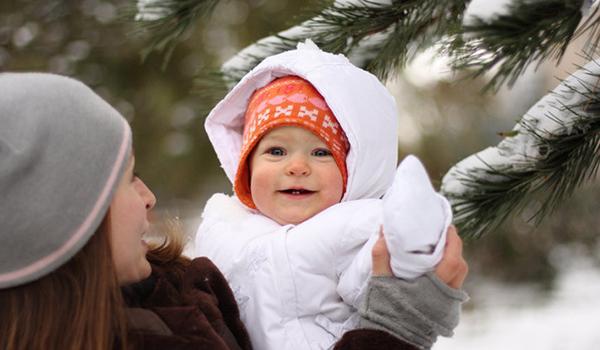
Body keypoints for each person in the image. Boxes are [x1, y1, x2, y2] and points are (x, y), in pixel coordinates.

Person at [0, 72, 467, 350]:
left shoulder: (175, 292)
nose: (148, 197)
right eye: (126, 179)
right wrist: (395, 329)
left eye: (321, 154)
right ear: (64, 220)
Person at [194, 40, 467, 350]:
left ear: (351, 170)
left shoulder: (350, 225)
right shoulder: (222, 224)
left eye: (321, 152)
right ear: (246, 166)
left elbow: (377, 275)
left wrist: (411, 241)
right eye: (276, 150)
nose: (297, 166)